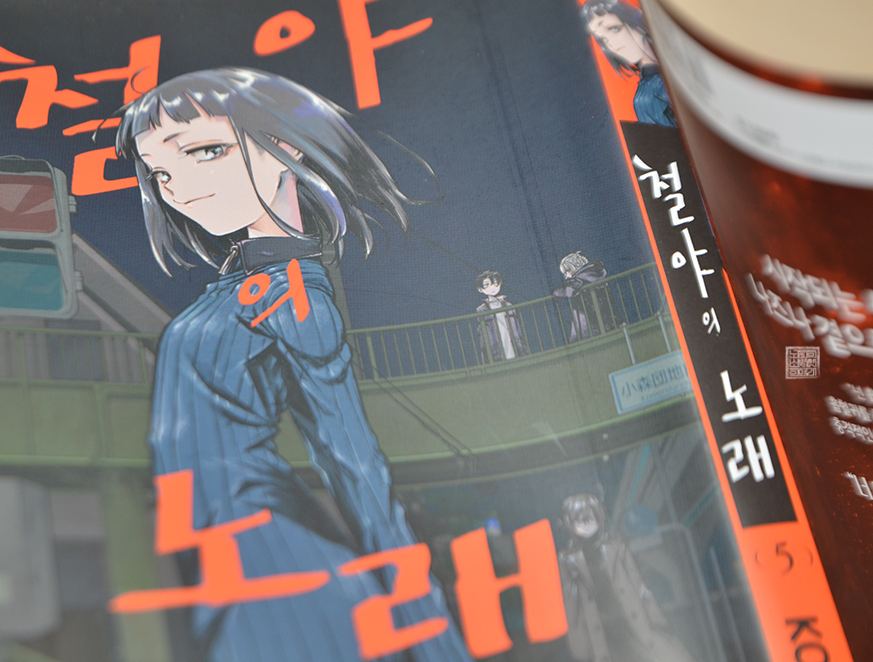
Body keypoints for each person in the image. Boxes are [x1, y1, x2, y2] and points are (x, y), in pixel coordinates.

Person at [116, 68, 472, 662]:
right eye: (160, 172)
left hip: (277, 568)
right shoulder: (240, 286)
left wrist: (438, 644)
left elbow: (356, 467)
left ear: (284, 146)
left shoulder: (297, 296)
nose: (177, 187)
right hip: (230, 568)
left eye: (204, 151)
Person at [558, 494, 698, 662]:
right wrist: (580, 645)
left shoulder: (616, 548)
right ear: (570, 524)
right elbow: (572, 604)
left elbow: (639, 586)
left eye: (590, 518)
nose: (586, 524)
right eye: (579, 520)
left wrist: (656, 617)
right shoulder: (568, 560)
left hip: (631, 618)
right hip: (602, 631)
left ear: (599, 518)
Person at [581, 0, 676, 127]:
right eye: (604, 40)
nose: (612, 44)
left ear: (637, 25)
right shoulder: (647, 97)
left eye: (614, 29)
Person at [553, 252, 622, 342]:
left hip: (591, 319)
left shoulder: (579, 278)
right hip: (607, 316)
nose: (566, 276)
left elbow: (568, 291)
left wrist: (555, 292)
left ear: (573, 268)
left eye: (566, 272)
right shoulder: (597, 271)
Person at [474, 270, 529, 363]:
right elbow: (483, 334)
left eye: (496, 283)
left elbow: (516, 327)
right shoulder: (481, 310)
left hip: (511, 337)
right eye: (487, 285)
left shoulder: (508, 305)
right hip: (494, 342)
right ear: (480, 289)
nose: (492, 287)